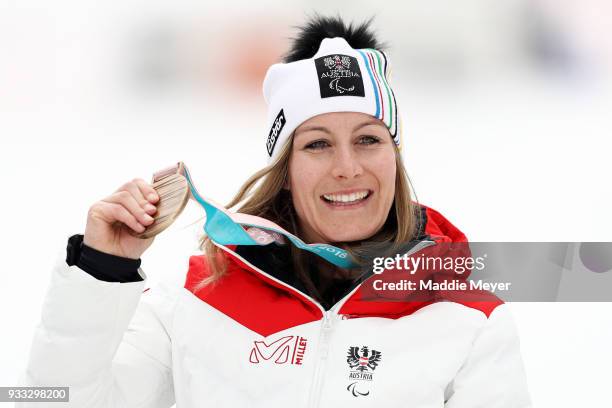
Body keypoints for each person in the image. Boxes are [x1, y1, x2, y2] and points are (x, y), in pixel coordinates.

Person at [18, 15, 531, 407]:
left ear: (394, 157)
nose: (348, 168)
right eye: (317, 145)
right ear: (286, 168)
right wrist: (102, 271)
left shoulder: (468, 317)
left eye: (368, 139)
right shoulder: (195, 300)